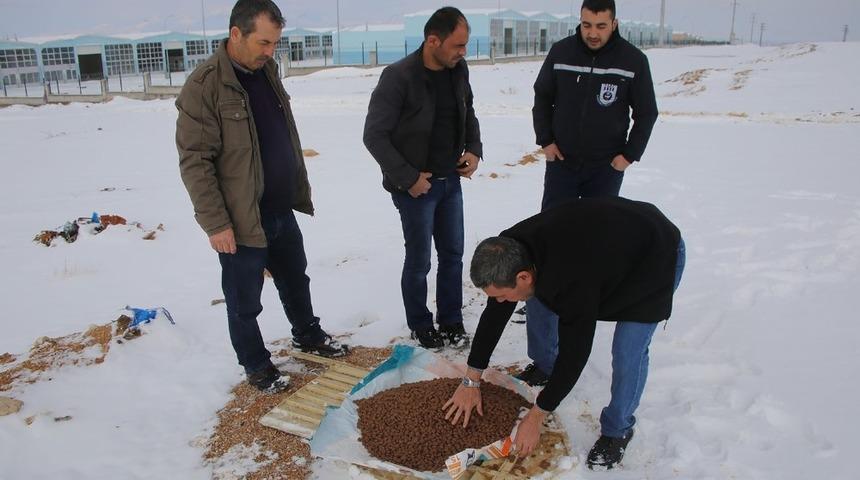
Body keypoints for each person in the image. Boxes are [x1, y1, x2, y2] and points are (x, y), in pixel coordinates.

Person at [176, 0, 346, 394]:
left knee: (295, 279)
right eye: (264, 42)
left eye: (275, 43)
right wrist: (216, 223)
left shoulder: (265, 71)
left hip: (281, 207)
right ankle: (256, 365)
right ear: (236, 34)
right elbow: (195, 162)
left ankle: (308, 336)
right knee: (244, 300)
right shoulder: (204, 86)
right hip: (241, 218)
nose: (271, 52)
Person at [443, 197, 685, 469]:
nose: (498, 301)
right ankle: (545, 366)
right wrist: (471, 380)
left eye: (501, 295)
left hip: (654, 254)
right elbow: (495, 314)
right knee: (537, 302)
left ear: (523, 277)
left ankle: (618, 429)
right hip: (606, 240)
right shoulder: (509, 249)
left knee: (628, 351)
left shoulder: (573, 281)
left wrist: (536, 416)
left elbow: (575, 354)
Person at [519, 0, 659, 387]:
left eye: (600, 25)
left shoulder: (633, 60)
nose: (592, 33)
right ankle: (543, 334)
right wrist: (546, 140)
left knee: (596, 242)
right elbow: (542, 97)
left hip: (604, 169)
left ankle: (585, 303)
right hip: (562, 164)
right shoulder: (562, 52)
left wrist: (627, 156)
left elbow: (646, 112)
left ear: (614, 23)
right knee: (549, 242)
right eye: (586, 25)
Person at [363, 7, 482, 350]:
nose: (463, 52)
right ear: (433, 41)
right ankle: (420, 324)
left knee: (453, 255)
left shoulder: (458, 70)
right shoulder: (398, 77)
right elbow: (374, 135)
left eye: (465, 45)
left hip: (451, 182)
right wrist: (409, 179)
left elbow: (469, 112)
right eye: (458, 45)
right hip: (416, 188)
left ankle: (451, 320)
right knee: (419, 262)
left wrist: (474, 148)